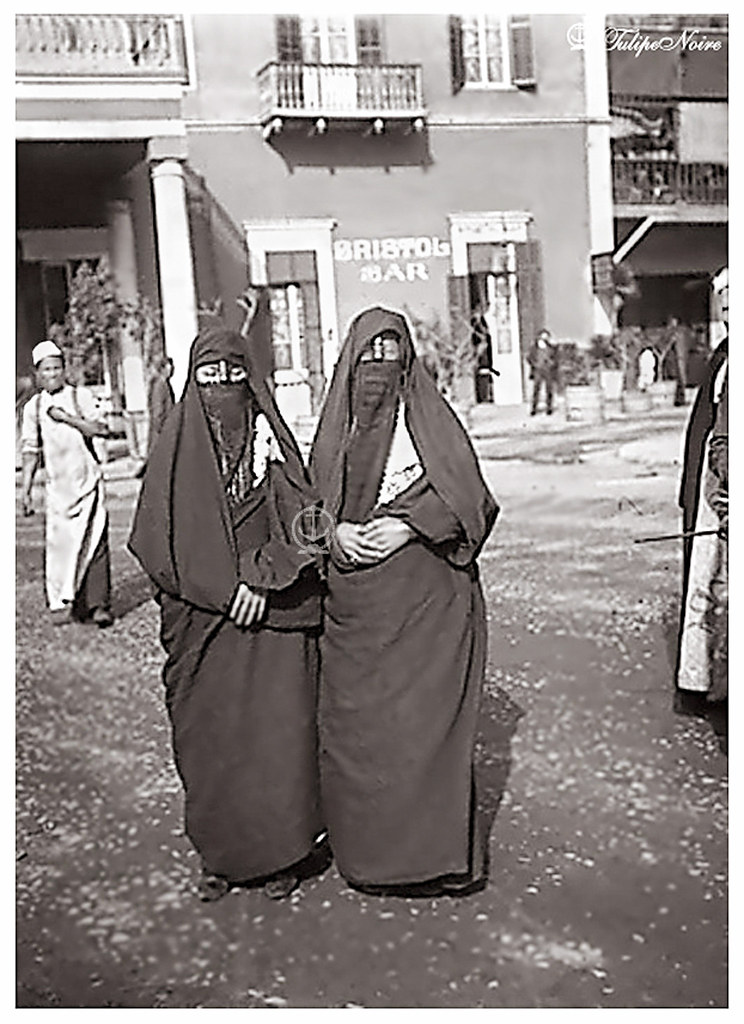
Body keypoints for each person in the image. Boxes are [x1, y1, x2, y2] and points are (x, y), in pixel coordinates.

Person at [128, 317, 325, 902]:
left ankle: (281, 851)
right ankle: (222, 855)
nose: (222, 389)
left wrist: (264, 579)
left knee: (277, 737)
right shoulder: (174, 454)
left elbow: (311, 524)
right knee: (210, 741)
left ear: (251, 381)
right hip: (205, 625)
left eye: (233, 377)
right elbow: (155, 543)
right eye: (209, 377)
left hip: (270, 622)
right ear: (193, 384)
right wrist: (223, 587)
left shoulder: (273, 447)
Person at [310, 305, 499, 896]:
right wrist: (334, 533)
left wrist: (412, 524)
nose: (378, 367)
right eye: (368, 354)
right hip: (355, 619)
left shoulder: (431, 423)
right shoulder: (332, 432)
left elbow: (474, 503)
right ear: (349, 361)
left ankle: (433, 860)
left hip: (425, 615)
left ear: (407, 360)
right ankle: (372, 859)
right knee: (362, 737)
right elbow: (301, 515)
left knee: (423, 735)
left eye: (390, 354)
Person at [20, 340, 114, 628]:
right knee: (63, 548)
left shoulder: (79, 397)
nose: (53, 374)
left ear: (64, 370)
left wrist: (67, 418)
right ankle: (71, 602)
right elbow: (30, 450)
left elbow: (101, 429)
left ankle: (100, 605)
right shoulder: (34, 407)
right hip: (59, 491)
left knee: (94, 541)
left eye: (57, 368)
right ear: (38, 374)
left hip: (87, 483)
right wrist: (25, 491)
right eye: (46, 370)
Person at [527, 329, 559, 415]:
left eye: (546, 336)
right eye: (543, 336)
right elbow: (529, 358)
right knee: (536, 389)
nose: (545, 338)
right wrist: (535, 364)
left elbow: (555, 358)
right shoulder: (534, 347)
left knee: (549, 389)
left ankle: (549, 407)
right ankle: (533, 408)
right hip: (538, 369)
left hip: (548, 370)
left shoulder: (551, 347)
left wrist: (551, 363)